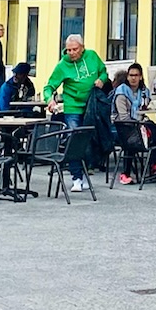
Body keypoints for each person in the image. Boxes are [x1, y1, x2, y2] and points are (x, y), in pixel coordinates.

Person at [42, 34, 108, 193]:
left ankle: (87, 172)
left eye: (74, 49)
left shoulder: (92, 56)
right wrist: (49, 100)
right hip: (72, 107)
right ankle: (76, 177)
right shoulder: (62, 65)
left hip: (92, 105)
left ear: (82, 48)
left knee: (91, 140)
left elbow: (104, 72)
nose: (71, 52)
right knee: (74, 139)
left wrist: (101, 80)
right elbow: (49, 86)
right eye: (68, 50)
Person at [111, 63, 151, 184]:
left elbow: (145, 110)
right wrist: (138, 124)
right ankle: (125, 173)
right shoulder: (121, 92)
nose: (133, 78)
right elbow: (123, 116)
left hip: (138, 125)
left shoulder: (145, 92)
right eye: (131, 75)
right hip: (121, 126)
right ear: (127, 77)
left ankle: (155, 166)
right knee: (132, 138)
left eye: (136, 75)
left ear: (140, 77)